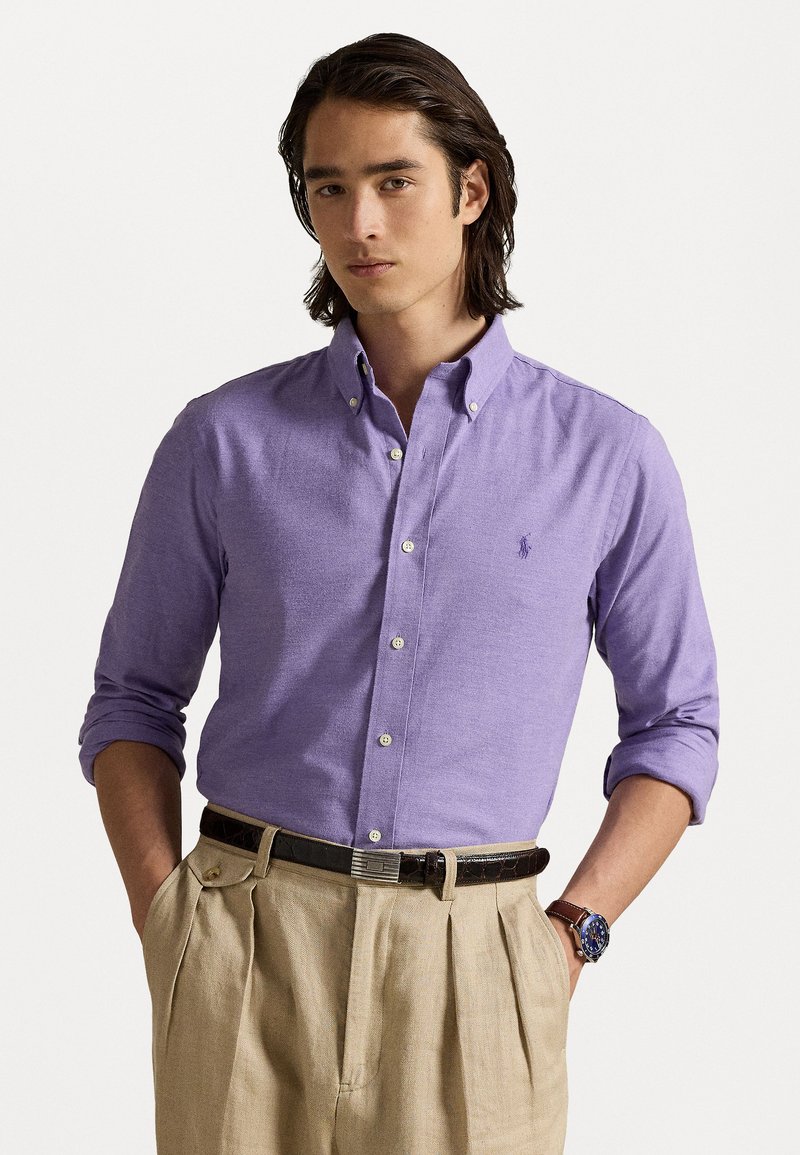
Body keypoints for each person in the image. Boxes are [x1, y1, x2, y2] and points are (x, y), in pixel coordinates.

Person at [78, 31, 720, 1155]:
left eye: (392, 181)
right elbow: (132, 698)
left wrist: (572, 933)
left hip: (480, 964)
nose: (357, 223)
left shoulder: (606, 455)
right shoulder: (223, 439)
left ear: (471, 189)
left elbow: (677, 725)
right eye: (327, 188)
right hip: (244, 945)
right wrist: (163, 913)